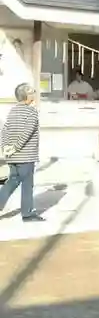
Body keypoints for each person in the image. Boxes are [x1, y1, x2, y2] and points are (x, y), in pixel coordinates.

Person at [0, 83, 44, 222]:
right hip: (25, 156)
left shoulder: (12, 111)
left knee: (11, 182)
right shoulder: (32, 112)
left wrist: (5, 147)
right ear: (27, 96)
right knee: (27, 185)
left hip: (12, 157)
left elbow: (5, 131)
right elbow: (27, 133)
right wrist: (16, 147)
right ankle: (27, 213)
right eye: (32, 93)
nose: (34, 95)